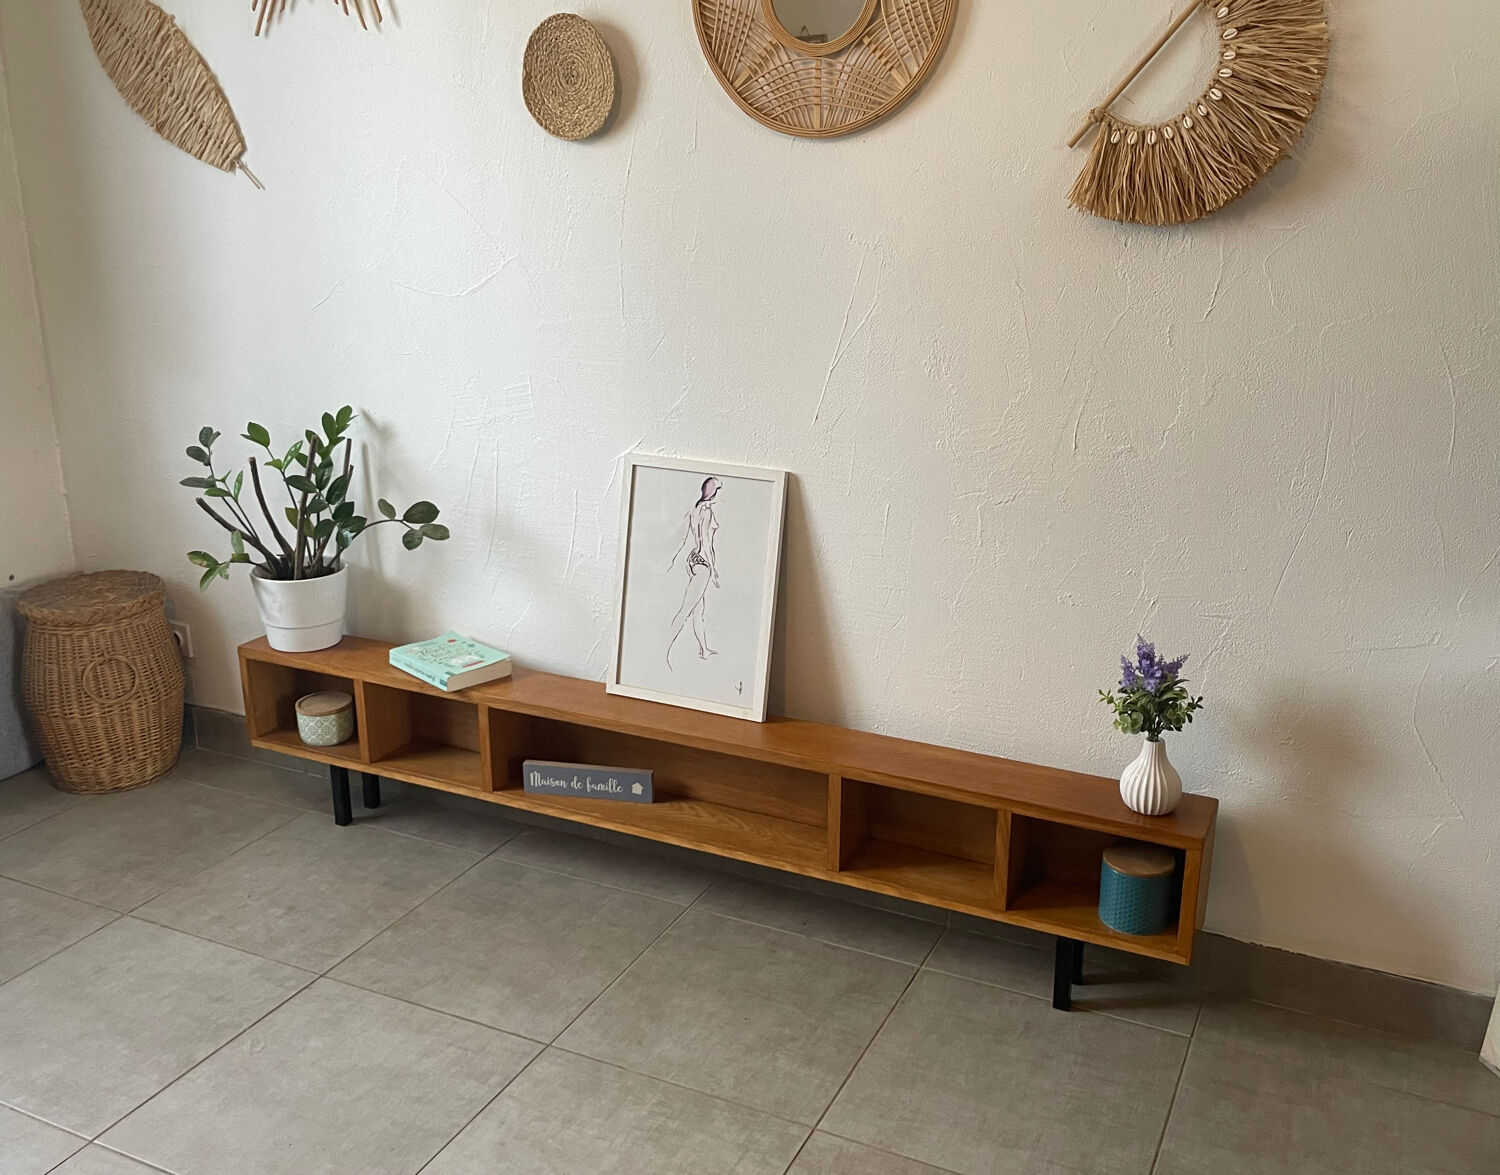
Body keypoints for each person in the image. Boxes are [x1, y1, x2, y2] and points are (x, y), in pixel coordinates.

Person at [666, 476, 721, 667]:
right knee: (686, 610)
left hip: (692, 560)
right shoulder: (707, 511)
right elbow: (706, 542)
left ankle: (704, 649)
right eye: (718, 489)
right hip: (703, 563)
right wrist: (713, 570)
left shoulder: (695, 509)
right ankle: (664, 648)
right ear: (713, 491)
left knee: (699, 610)